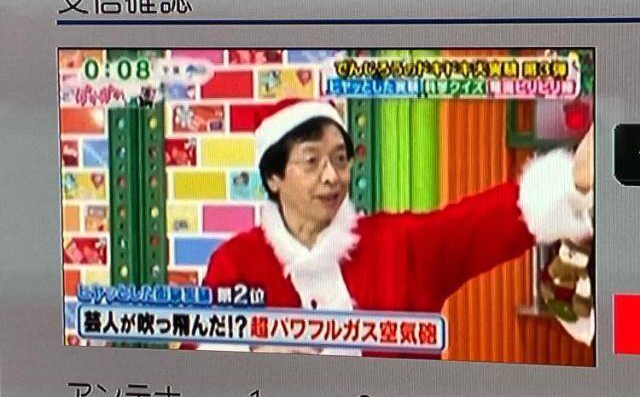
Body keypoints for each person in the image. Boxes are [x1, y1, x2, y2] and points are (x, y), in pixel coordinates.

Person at [202, 98, 594, 356]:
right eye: (311, 161)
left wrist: (572, 180)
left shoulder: (397, 245)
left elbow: (477, 223)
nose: (332, 176)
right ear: (273, 177)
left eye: (340, 159)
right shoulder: (235, 264)